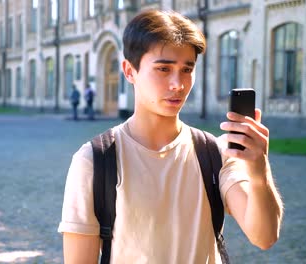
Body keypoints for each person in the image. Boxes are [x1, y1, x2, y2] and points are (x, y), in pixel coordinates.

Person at [58, 10, 283, 263]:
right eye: (164, 69)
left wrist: (258, 168)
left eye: (187, 69)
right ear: (129, 71)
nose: (178, 84)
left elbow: (264, 237)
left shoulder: (213, 153)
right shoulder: (95, 160)